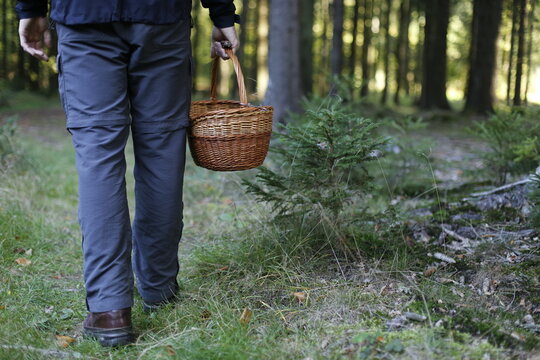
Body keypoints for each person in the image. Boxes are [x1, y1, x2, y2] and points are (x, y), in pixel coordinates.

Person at [16, 0, 239, 347]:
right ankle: (158, 288)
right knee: (163, 151)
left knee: (98, 157)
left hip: (84, 17)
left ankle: (109, 310)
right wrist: (222, 13)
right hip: (161, 18)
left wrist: (30, 9)